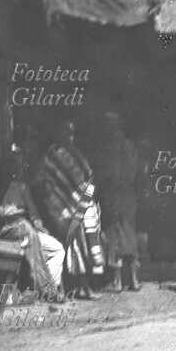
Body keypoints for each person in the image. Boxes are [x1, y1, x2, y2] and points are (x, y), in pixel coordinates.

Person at [40, 121, 105, 300]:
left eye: (70, 133)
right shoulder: (53, 156)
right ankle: (83, 288)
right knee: (78, 245)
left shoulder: (76, 153)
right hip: (67, 209)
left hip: (83, 205)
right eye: (65, 133)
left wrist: (84, 195)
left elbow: (88, 174)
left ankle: (84, 287)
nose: (68, 137)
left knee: (88, 244)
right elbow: (50, 185)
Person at [0, 147, 65, 296]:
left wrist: (40, 226)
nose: (12, 170)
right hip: (5, 233)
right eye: (9, 166)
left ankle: (49, 287)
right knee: (26, 231)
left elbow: (34, 214)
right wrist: (5, 213)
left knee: (57, 249)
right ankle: (46, 289)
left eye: (15, 167)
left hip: (27, 232)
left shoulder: (22, 188)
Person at [96, 111, 140, 292]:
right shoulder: (130, 145)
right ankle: (134, 280)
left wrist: (104, 189)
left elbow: (114, 174)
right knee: (129, 235)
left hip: (116, 195)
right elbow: (132, 174)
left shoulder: (113, 146)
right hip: (129, 196)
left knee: (114, 236)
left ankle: (117, 281)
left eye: (108, 124)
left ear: (114, 125)